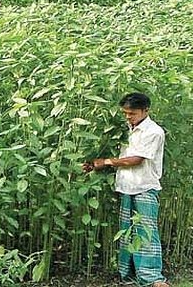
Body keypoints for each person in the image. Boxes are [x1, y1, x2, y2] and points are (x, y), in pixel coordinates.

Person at [82, 92, 169, 287]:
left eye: (132, 113)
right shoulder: (124, 130)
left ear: (146, 110)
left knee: (146, 232)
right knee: (127, 232)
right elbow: (117, 154)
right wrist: (94, 164)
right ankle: (128, 274)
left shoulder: (153, 132)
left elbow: (136, 159)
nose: (128, 117)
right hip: (126, 187)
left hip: (145, 187)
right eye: (125, 113)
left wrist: (104, 162)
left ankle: (152, 277)